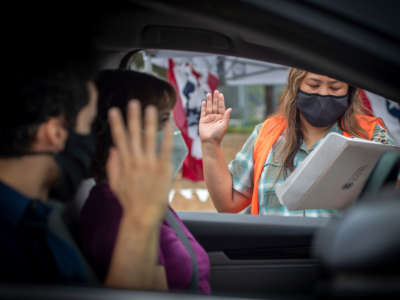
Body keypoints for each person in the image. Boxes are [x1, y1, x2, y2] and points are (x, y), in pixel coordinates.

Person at [0, 17, 173, 288]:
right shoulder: (13, 244)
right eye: (89, 124)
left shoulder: (35, 219)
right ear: (55, 133)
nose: (96, 138)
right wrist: (139, 221)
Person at [79, 70, 211, 294]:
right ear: (118, 133)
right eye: (162, 120)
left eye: (171, 118)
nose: (174, 131)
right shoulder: (117, 212)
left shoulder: (138, 196)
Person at [200, 68, 395, 217]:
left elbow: (391, 203)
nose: (323, 94)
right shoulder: (266, 134)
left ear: (349, 93)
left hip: (342, 259)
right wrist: (210, 144)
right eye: (313, 85)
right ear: (297, 85)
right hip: (275, 259)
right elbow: (228, 204)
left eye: (335, 88)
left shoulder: (372, 134)